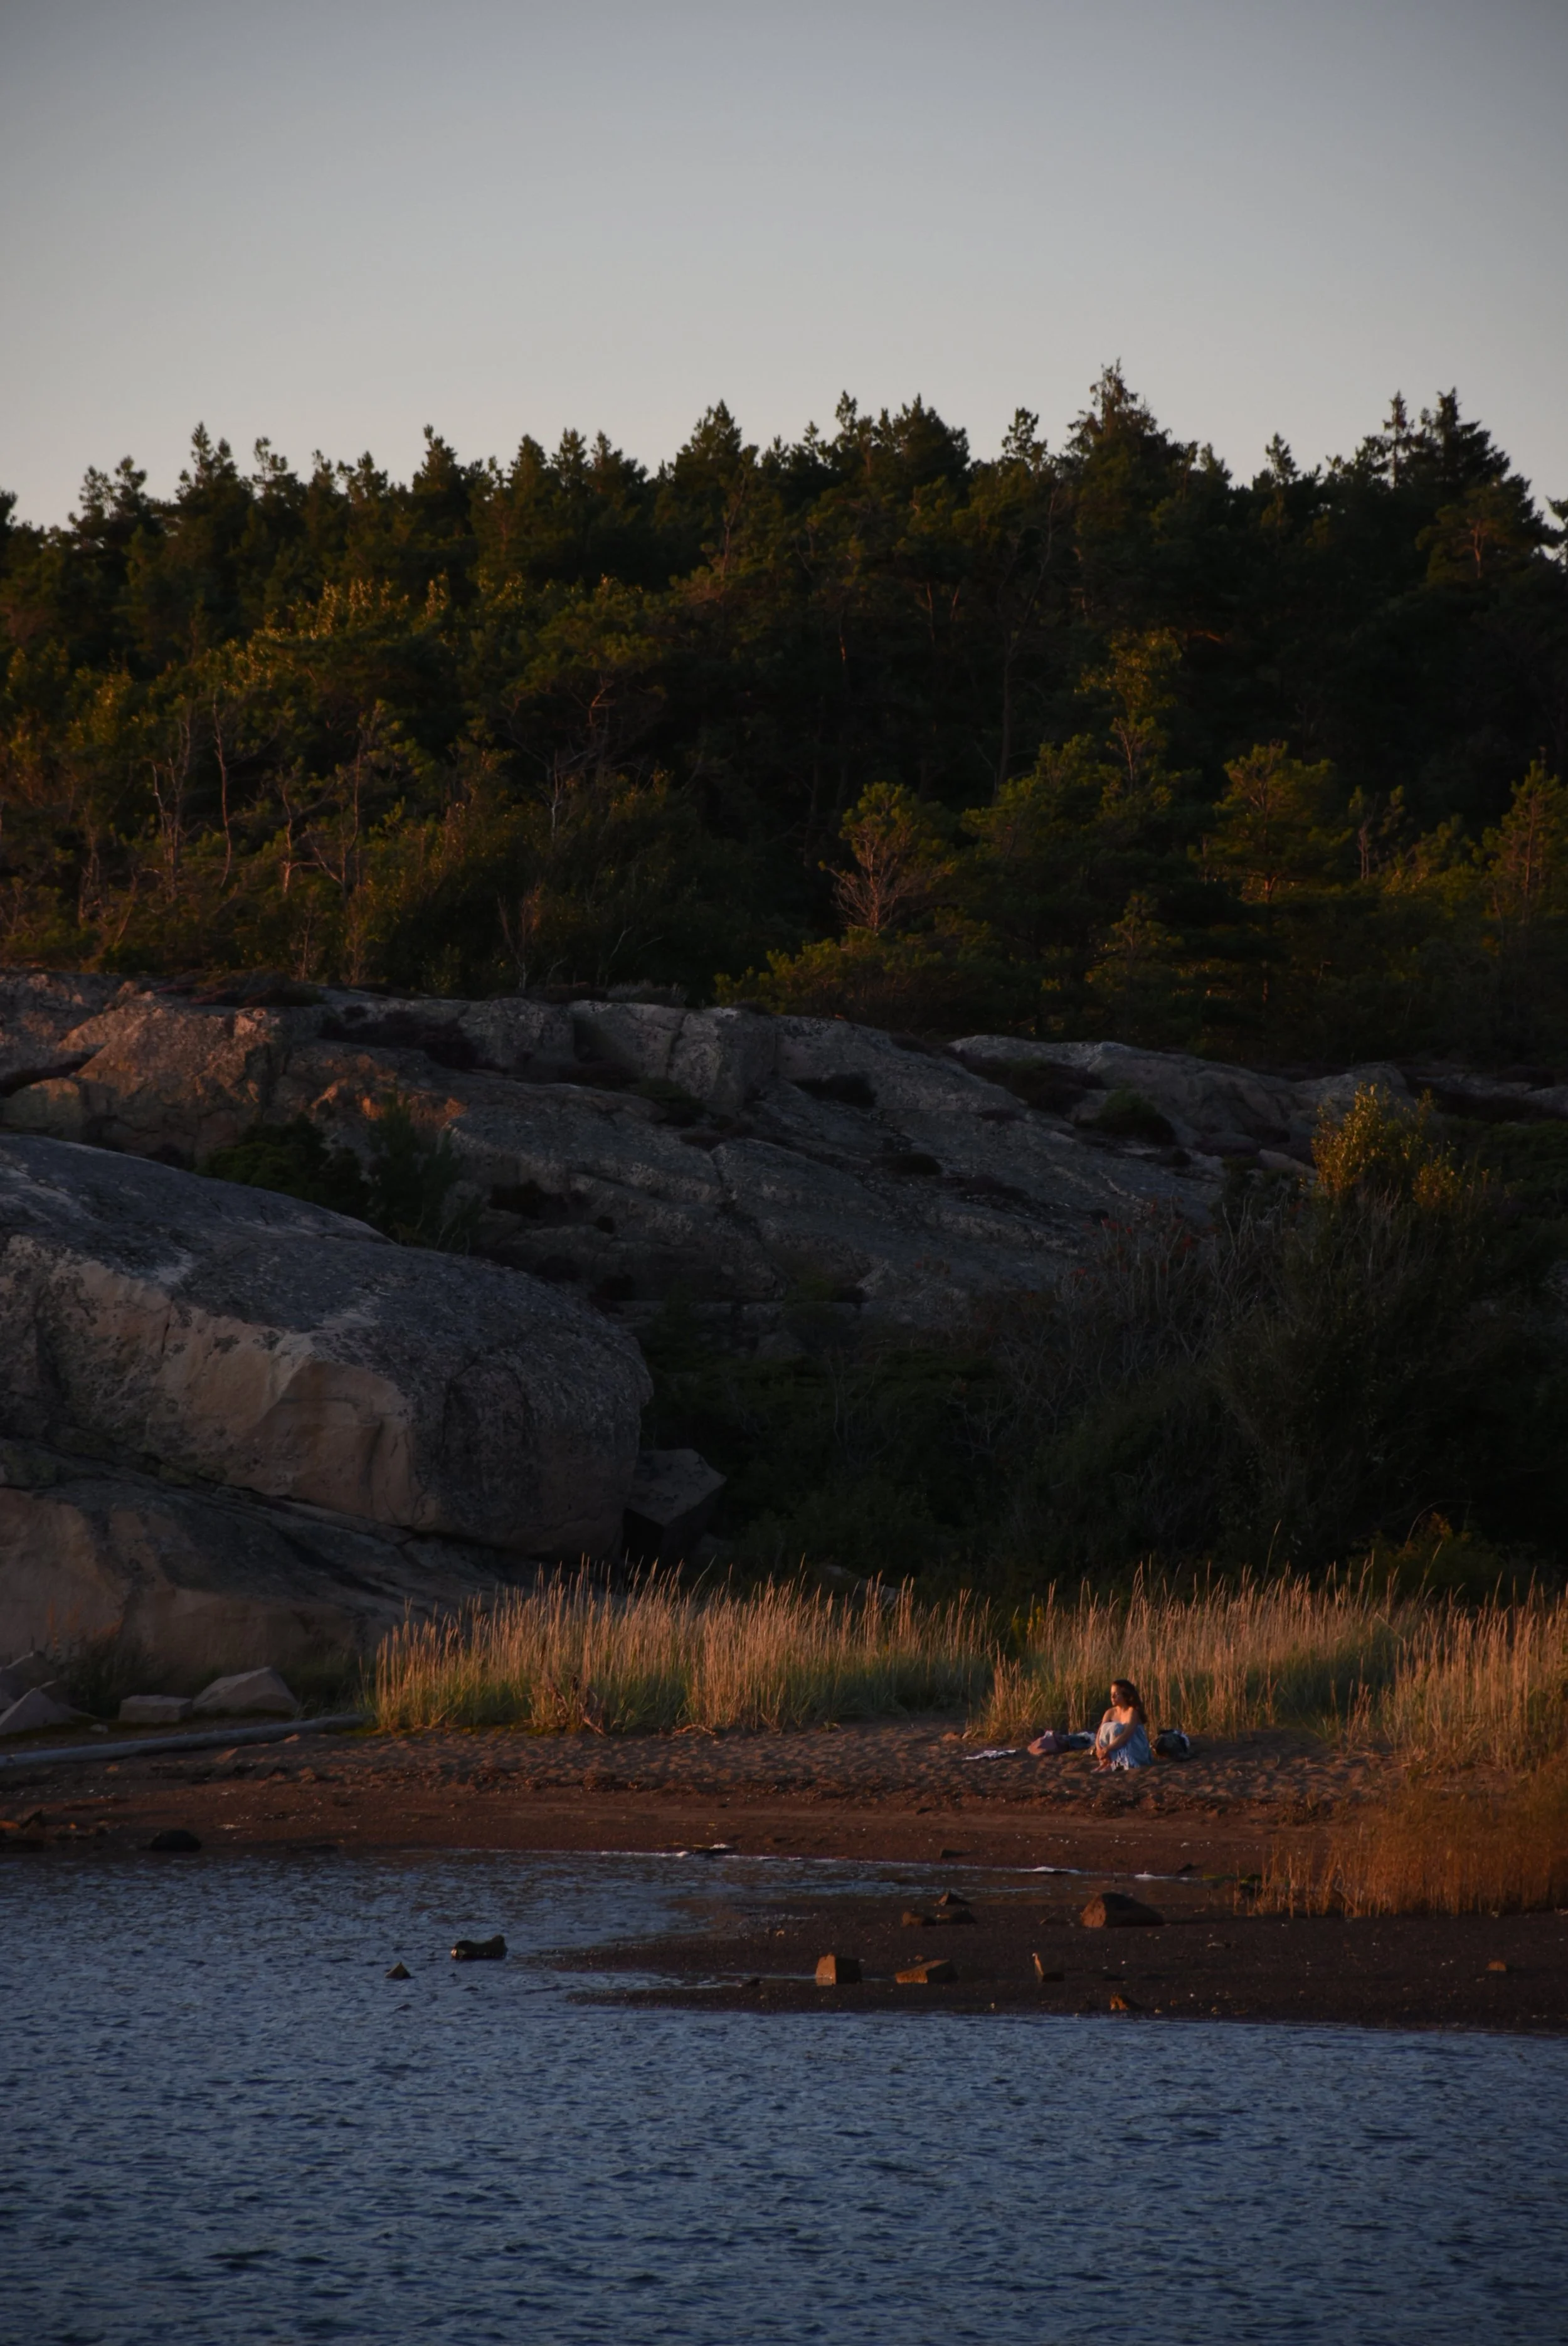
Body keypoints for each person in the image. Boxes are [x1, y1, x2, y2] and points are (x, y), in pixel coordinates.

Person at [1093, 1679, 1152, 1771]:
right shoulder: (1110, 1712)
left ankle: (1118, 1762)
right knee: (1107, 1727)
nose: (1112, 1697)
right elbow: (1099, 1733)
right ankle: (1109, 1761)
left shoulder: (1132, 1712)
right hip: (1114, 1749)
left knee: (1116, 1728)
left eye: (1116, 1694)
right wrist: (1099, 1749)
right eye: (1111, 1694)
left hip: (1135, 1748)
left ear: (1125, 1696)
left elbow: (1125, 1736)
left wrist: (1107, 1749)